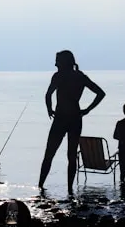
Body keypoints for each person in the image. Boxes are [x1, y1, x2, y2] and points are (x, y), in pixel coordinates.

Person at [38, 50, 106, 195]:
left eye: (57, 60)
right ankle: (69, 190)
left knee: (49, 154)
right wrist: (87, 110)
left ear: (64, 62)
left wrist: (49, 109)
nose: (55, 63)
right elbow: (100, 93)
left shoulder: (58, 76)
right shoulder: (80, 76)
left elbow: (48, 94)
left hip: (61, 119)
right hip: (75, 118)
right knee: (71, 156)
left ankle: (41, 187)